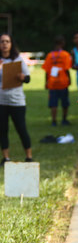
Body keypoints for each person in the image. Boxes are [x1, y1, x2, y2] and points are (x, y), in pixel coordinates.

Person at [0, 33, 33, 165]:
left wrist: (22, 77)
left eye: (7, 41)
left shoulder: (18, 59)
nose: (4, 44)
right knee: (2, 129)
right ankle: (6, 157)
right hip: (1, 101)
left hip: (17, 101)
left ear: (11, 44)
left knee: (21, 128)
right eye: (2, 41)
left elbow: (28, 78)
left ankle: (29, 156)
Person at [42, 35, 72, 126]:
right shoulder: (65, 54)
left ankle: (54, 121)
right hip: (63, 82)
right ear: (63, 43)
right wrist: (69, 79)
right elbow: (67, 69)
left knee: (53, 103)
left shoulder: (49, 55)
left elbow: (47, 71)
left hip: (52, 82)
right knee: (64, 103)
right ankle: (64, 120)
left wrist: (46, 82)